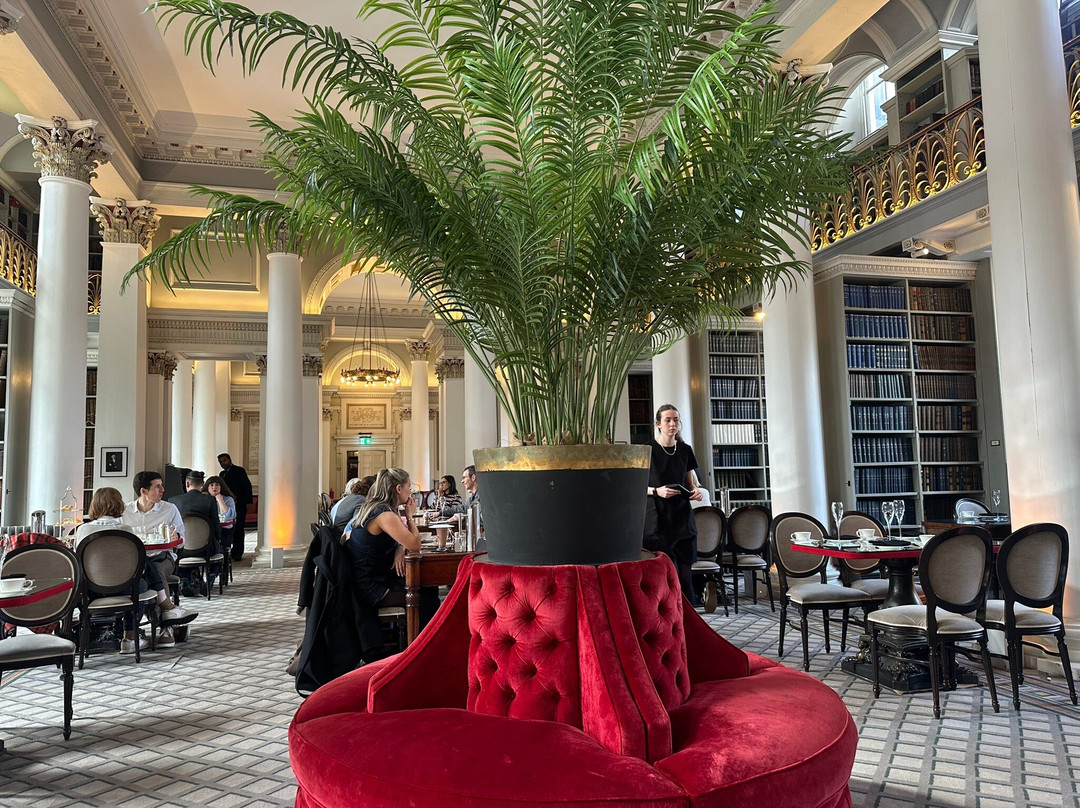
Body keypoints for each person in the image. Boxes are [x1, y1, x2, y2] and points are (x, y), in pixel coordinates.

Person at [344, 467, 439, 664]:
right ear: (398, 489)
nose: (411, 491)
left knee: (429, 586)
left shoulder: (376, 507)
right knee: (428, 600)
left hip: (368, 578)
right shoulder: (384, 514)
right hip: (370, 588)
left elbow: (402, 542)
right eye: (409, 486)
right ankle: (417, 653)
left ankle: (418, 645)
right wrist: (411, 516)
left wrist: (399, 549)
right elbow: (414, 544)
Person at [78, 487, 190, 651]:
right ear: (119, 504)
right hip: (124, 589)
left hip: (92, 590)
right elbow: (134, 564)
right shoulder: (125, 531)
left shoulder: (83, 530)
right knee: (142, 582)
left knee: (147, 570)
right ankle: (131, 635)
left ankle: (163, 614)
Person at [643, 404, 703, 601]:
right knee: (664, 573)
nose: (672, 424)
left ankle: (687, 622)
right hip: (657, 520)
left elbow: (691, 483)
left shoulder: (685, 450)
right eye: (667, 420)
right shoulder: (647, 450)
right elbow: (637, 487)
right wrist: (656, 491)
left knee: (685, 574)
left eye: (675, 420)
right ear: (658, 424)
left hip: (682, 517)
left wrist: (695, 492)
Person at [170, 470, 222, 595]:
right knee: (220, 551)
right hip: (206, 549)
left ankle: (186, 579)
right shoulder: (210, 500)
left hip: (182, 549)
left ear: (187, 484)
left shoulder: (173, 501)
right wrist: (218, 540)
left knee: (180, 551)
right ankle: (210, 578)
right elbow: (216, 525)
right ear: (202, 484)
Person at [218, 453, 253, 561]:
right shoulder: (222, 474)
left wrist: (249, 502)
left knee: (238, 528)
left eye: (224, 460)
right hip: (227, 506)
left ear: (229, 460)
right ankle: (228, 551)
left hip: (239, 504)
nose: (223, 463)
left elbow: (247, 486)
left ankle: (238, 553)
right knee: (228, 528)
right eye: (220, 462)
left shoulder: (239, 471)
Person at [203, 476, 236, 559]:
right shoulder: (204, 499)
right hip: (208, 530)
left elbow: (229, 516)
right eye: (211, 485)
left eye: (217, 485)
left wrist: (220, 501)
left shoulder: (228, 499)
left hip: (224, 531)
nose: (214, 487)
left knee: (221, 547)